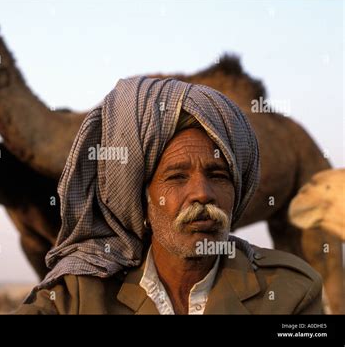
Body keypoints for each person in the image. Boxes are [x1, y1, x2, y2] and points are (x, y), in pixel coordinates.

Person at [16, 77, 322, 314]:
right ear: (141, 196)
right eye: (177, 177)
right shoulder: (78, 298)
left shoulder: (290, 290)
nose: (203, 193)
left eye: (218, 176)